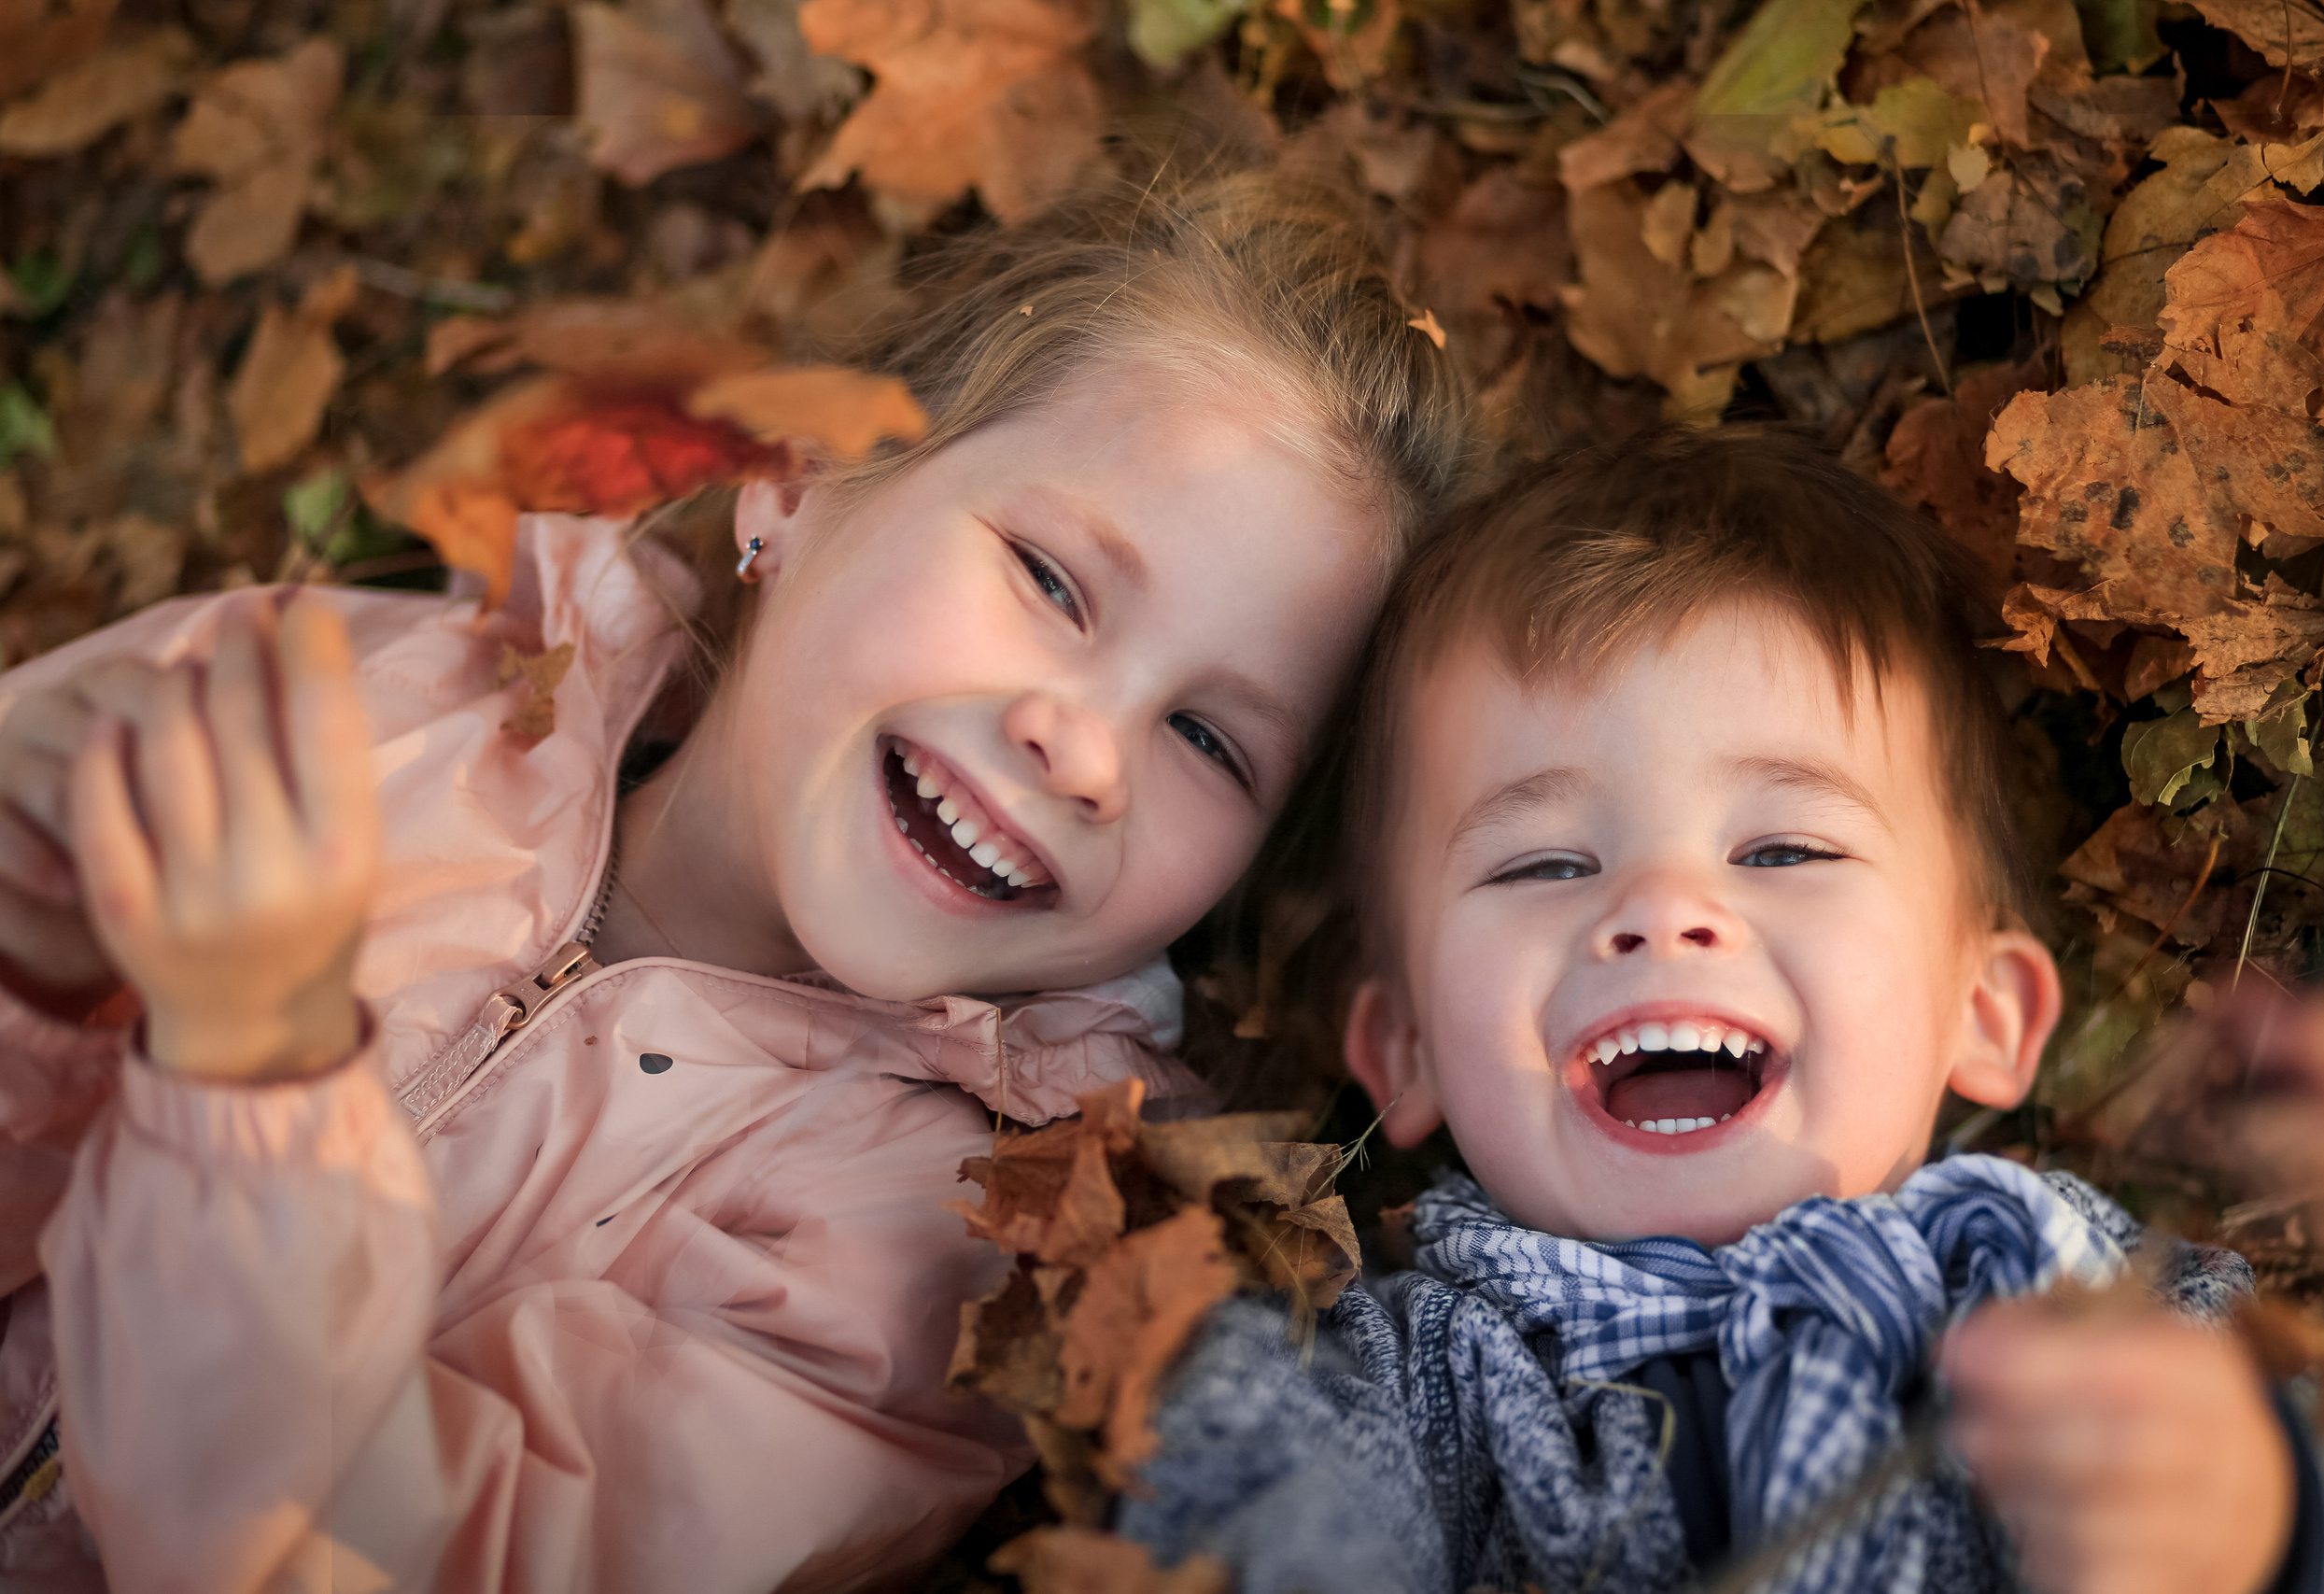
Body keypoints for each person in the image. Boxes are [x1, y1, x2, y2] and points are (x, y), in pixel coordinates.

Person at [0, 168, 1473, 1592]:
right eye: (1051, 580)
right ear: (796, 485)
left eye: (1210, 737)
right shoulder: (357, 709)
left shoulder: (929, 1244)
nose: (1087, 749)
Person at [1118, 430, 2324, 1594]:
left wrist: (2267, 1521)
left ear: (1985, 1014)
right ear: (1403, 1052)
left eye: (1784, 850)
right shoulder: (1400, 1385)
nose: (1664, 911)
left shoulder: (2085, 1299)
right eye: (1546, 865)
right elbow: (1255, 1508)